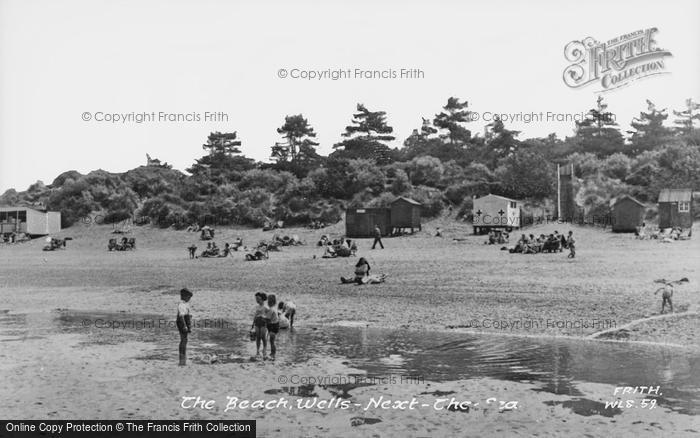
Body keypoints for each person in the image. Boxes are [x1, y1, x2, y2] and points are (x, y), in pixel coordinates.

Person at [176, 288, 193, 366]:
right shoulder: (181, 304)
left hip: (185, 322)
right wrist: (185, 326)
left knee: (185, 339)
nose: (189, 299)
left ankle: (183, 353)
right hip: (182, 323)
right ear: (184, 296)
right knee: (183, 339)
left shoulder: (185, 303)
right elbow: (181, 316)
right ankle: (182, 354)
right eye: (188, 297)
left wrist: (189, 325)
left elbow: (187, 314)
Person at [251, 292, 269, 360]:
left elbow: (269, 316)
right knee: (258, 337)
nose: (257, 300)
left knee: (263, 337)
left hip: (263, 323)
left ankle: (264, 350)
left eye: (258, 299)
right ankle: (258, 351)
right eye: (256, 299)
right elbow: (255, 316)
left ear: (262, 298)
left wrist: (264, 317)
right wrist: (252, 324)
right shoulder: (257, 307)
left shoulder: (266, 307)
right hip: (257, 323)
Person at [266, 294, 280, 360]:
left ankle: (273, 353)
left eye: (268, 301)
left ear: (270, 302)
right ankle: (272, 353)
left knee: (272, 341)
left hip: (273, 326)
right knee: (272, 341)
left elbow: (267, 319)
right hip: (276, 325)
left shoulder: (271, 309)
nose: (267, 302)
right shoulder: (275, 308)